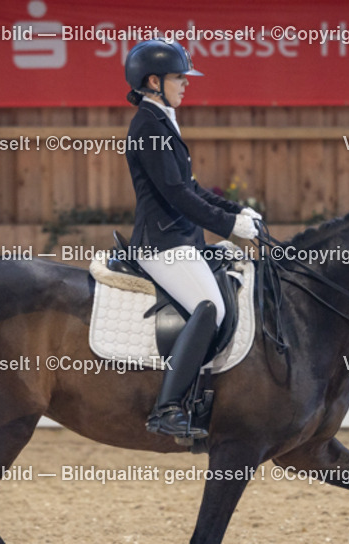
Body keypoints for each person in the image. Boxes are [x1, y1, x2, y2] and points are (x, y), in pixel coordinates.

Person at [123, 39, 261, 439]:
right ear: (154, 81)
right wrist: (230, 226)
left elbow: (191, 187)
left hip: (182, 240)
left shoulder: (162, 119)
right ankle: (167, 408)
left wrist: (236, 211)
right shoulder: (149, 126)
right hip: (162, 245)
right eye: (179, 78)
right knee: (209, 308)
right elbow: (176, 195)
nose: (186, 84)